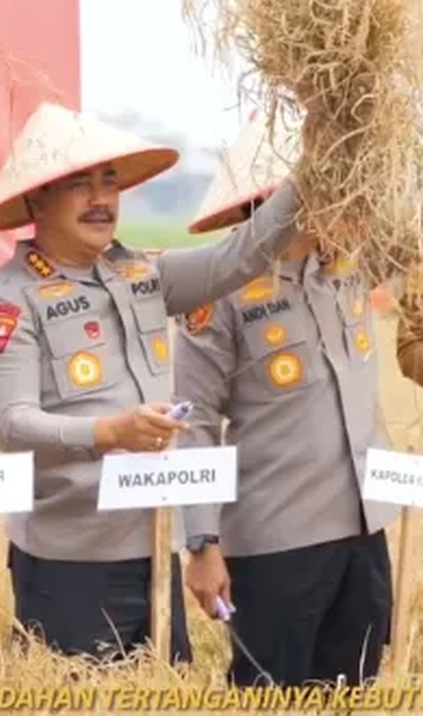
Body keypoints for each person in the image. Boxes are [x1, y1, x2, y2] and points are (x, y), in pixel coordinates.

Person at [0, 101, 303, 665]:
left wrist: (312, 165)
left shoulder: (142, 274)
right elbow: (9, 424)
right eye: (79, 184)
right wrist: (109, 432)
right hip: (69, 567)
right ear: (36, 201)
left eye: (109, 182)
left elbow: (243, 255)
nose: (101, 199)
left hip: (152, 547)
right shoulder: (6, 300)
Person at [173, 110, 399, 688]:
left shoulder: (347, 269)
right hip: (276, 546)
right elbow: (192, 421)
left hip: (363, 538)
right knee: (270, 696)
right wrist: (200, 543)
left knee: (354, 690)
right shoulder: (219, 290)